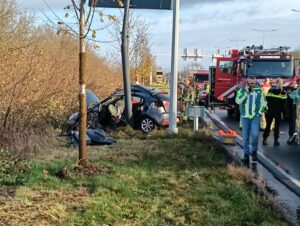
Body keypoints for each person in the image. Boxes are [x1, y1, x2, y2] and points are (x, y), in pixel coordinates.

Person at [236, 77, 267, 165]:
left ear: (255, 82)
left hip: (255, 116)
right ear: (248, 83)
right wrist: (246, 92)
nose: (252, 85)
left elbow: (264, 103)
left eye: (253, 84)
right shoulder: (242, 90)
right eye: (250, 84)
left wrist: (259, 113)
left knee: (255, 135)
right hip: (245, 117)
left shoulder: (259, 91)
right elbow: (238, 101)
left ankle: (254, 152)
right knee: (245, 137)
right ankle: (246, 155)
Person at [262, 78, 287, 146]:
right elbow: (284, 104)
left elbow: (266, 100)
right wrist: (284, 114)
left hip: (270, 111)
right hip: (278, 112)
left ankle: (265, 139)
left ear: (275, 83)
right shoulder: (283, 92)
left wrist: (265, 110)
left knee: (268, 126)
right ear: (282, 83)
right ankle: (276, 141)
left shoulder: (270, 90)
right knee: (277, 127)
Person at [287, 79, 300, 144]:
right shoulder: (292, 90)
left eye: (296, 83)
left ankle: (296, 138)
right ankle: (291, 137)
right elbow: (289, 100)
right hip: (293, 109)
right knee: (293, 123)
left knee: (296, 124)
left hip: (296, 109)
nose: (295, 84)